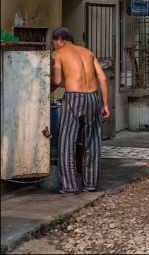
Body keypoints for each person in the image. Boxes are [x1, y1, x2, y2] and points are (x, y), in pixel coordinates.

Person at [50, 27, 110, 195]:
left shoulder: (58, 54)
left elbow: (57, 80)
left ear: (60, 40)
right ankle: (90, 184)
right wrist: (105, 104)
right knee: (93, 141)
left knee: (67, 141)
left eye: (53, 43)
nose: (54, 46)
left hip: (73, 98)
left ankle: (69, 186)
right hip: (93, 97)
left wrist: (44, 92)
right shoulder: (88, 53)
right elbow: (103, 78)